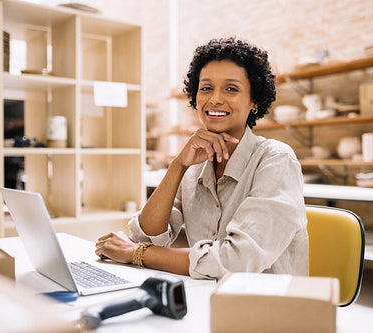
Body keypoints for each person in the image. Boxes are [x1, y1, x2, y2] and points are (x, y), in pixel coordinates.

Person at [95, 37, 308, 280]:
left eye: (231, 88)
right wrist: (178, 166)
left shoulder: (276, 160)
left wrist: (136, 254)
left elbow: (236, 261)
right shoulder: (196, 166)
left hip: (268, 307)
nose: (215, 99)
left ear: (254, 101)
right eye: (206, 88)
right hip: (206, 297)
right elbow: (146, 237)